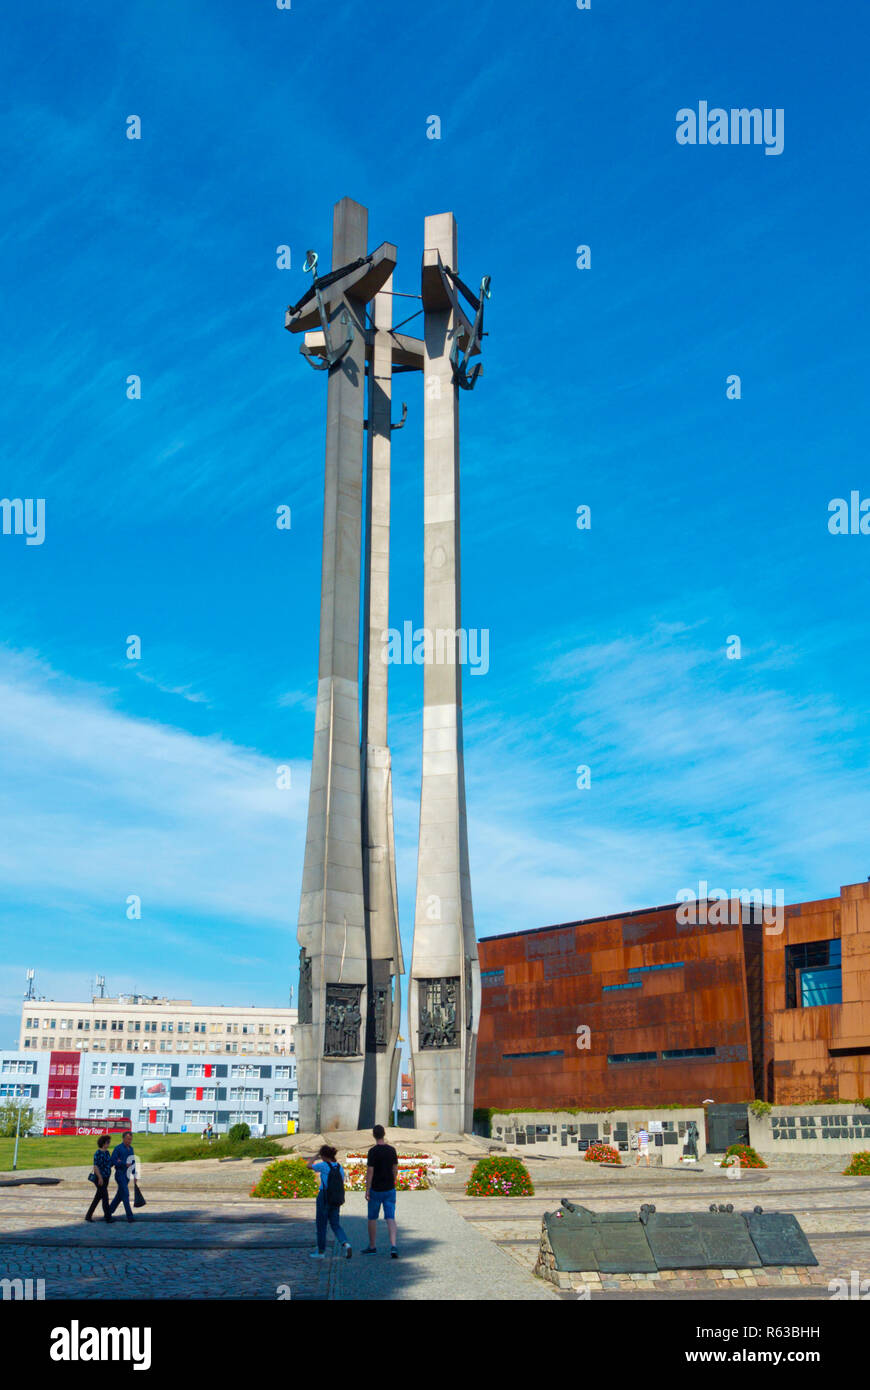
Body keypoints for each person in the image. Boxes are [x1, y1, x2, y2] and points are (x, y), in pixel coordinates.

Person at [305, 1145, 352, 1260]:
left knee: (321, 1225)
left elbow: (308, 1166)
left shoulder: (323, 1165)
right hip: (336, 1198)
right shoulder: (339, 1167)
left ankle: (321, 1251)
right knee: (335, 1224)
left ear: (324, 1156)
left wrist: (315, 1156)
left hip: (324, 1196)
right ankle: (346, 1244)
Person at [363, 1123, 399, 1258]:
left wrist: (367, 1189)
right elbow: (395, 1168)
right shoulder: (392, 1150)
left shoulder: (373, 1151)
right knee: (390, 1218)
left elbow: (370, 1171)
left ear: (374, 1135)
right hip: (389, 1188)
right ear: (384, 1134)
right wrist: (393, 1180)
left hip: (376, 1189)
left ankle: (372, 1246)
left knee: (372, 1218)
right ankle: (393, 1245)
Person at [108, 1130, 137, 1221]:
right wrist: (123, 1163)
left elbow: (133, 1162)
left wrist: (135, 1175)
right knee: (125, 1194)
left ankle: (108, 1212)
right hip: (120, 1174)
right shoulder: (118, 1148)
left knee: (119, 1196)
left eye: (131, 1139)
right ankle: (130, 1216)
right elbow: (112, 1161)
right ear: (123, 1138)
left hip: (127, 1176)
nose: (129, 1141)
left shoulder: (131, 1149)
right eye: (128, 1139)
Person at [84, 1134, 114, 1223]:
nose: (109, 1144)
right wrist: (100, 1177)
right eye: (108, 1142)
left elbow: (108, 1164)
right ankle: (108, 1218)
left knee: (98, 1197)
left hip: (106, 1177)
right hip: (99, 1178)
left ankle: (88, 1216)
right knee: (105, 1197)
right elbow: (96, 1167)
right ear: (103, 1143)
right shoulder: (98, 1153)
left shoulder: (107, 1152)